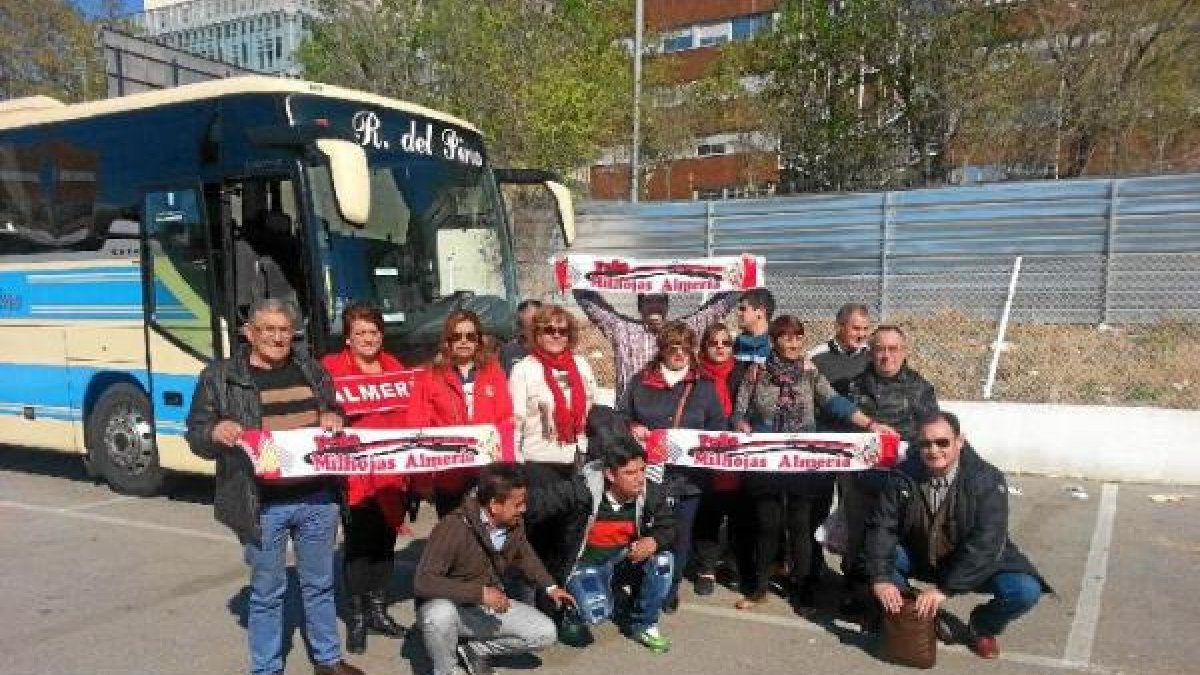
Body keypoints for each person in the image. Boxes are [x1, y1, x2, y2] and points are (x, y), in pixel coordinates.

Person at [185, 298, 363, 675]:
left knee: (320, 585)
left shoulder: (311, 369)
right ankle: (266, 669)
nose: (279, 337)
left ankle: (328, 661)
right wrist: (215, 431)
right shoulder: (220, 376)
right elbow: (196, 434)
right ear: (250, 333)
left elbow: (336, 412)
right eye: (269, 329)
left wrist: (334, 416)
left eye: (285, 330)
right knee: (267, 593)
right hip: (261, 503)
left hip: (318, 497)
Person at [731, 315, 894, 613]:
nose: (793, 344)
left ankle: (803, 591)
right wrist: (741, 424)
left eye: (798, 337)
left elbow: (834, 402)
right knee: (768, 526)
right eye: (786, 337)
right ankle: (759, 589)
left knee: (801, 526)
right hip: (766, 461)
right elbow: (739, 410)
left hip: (803, 461)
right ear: (774, 341)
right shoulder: (756, 372)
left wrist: (870, 424)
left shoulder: (809, 372)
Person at [866, 411, 1049, 659]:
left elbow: (987, 541)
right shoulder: (901, 476)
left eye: (942, 442)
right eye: (926, 444)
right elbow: (882, 527)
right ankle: (918, 612)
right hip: (921, 554)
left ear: (959, 442)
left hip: (970, 560)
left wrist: (945, 590)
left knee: (1025, 590)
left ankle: (982, 627)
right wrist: (880, 579)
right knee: (872, 559)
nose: (934, 450)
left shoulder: (986, 479)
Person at [414, 463, 574, 675]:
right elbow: (424, 582)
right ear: (494, 505)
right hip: (449, 607)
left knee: (545, 633)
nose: (524, 509)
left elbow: (526, 556)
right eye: (518, 504)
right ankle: (448, 669)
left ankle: (475, 650)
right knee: (439, 615)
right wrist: (480, 593)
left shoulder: (514, 523)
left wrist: (551, 587)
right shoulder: (452, 527)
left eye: (524, 503)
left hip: (483, 607)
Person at [526, 438, 677, 654]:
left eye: (642, 470)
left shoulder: (650, 492)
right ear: (610, 475)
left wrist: (654, 540)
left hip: (622, 561)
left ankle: (644, 623)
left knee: (663, 561)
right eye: (630, 473)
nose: (640, 479)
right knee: (595, 614)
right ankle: (575, 611)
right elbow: (541, 501)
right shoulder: (582, 490)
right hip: (583, 566)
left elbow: (669, 525)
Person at [321, 303, 409, 654]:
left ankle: (377, 610)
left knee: (385, 543)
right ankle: (356, 617)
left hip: (392, 473)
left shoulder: (395, 368)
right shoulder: (330, 369)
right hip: (355, 475)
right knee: (358, 546)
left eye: (373, 332)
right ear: (348, 338)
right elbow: (320, 408)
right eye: (360, 333)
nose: (368, 339)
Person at [620, 321, 726, 612]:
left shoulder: (704, 385)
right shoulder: (640, 381)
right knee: (643, 530)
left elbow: (718, 426)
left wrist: (699, 442)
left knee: (680, 534)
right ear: (662, 349)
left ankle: (669, 587)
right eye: (672, 346)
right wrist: (635, 427)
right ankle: (641, 582)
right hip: (646, 474)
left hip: (688, 478)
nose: (678, 353)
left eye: (684, 346)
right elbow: (622, 416)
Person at [842, 325, 940, 607]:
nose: (886, 355)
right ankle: (854, 588)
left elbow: (931, 432)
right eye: (880, 349)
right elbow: (845, 425)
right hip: (862, 476)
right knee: (857, 534)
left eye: (893, 349)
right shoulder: (855, 385)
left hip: (903, 480)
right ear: (871, 353)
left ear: (904, 351)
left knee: (892, 538)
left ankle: (894, 591)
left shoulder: (920, 388)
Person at [508, 304, 598, 575]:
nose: (556, 335)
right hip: (539, 462)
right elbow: (515, 420)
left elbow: (592, 405)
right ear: (537, 334)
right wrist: (515, 464)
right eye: (549, 330)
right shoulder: (525, 369)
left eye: (562, 330)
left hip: (576, 459)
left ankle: (560, 587)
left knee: (572, 530)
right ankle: (538, 591)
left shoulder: (580, 365)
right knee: (543, 533)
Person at [408, 309, 514, 517]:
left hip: (487, 473)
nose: (463, 341)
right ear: (447, 341)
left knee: (489, 537)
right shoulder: (429, 376)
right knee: (455, 538)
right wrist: (422, 479)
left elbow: (505, 422)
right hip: (449, 474)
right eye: (456, 336)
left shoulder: (493, 372)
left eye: (470, 336)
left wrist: (507, 472)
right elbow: (417, 429)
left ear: (478, 340)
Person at [807, 303, 873, 606]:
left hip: (858, 452)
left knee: (854, 513)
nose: (861, 334)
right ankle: (811, 570)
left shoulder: (873, 357)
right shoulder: (816, 357)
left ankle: (852, 577)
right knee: (814, 510)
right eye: (855, 328)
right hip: (821, 447)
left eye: (864, 328)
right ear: (839, 326)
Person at [573, 288, 738, 400]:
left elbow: (717, 308)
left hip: (671, 419)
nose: (655, 305)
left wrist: (740, 277)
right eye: (649, 300)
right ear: (640, 305)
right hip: (631, 419)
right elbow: (591, 305)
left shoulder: (683, 329)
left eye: (660, 300)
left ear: (667, 306)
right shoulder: (621, 329)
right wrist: (575, 273)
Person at [691, 323, 754, 596]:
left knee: (739, 511)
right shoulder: (694, 375)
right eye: (713, 343)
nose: (720, 347)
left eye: (725, 343)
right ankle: (706, 567)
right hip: (706, 452)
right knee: (708, 511)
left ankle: (733, 563)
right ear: (704, 347)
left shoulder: (745, 373)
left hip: (738, 452)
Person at [500, 299, 543, 375]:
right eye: (529, 311)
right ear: (520, 314)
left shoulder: (548, 344)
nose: (536, 316)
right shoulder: (509, 348)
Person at [734, 288, 775, 364]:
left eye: (743, 309)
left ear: (761, 312)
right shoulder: (737, 344)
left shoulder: (776, 345)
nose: (738, 313)